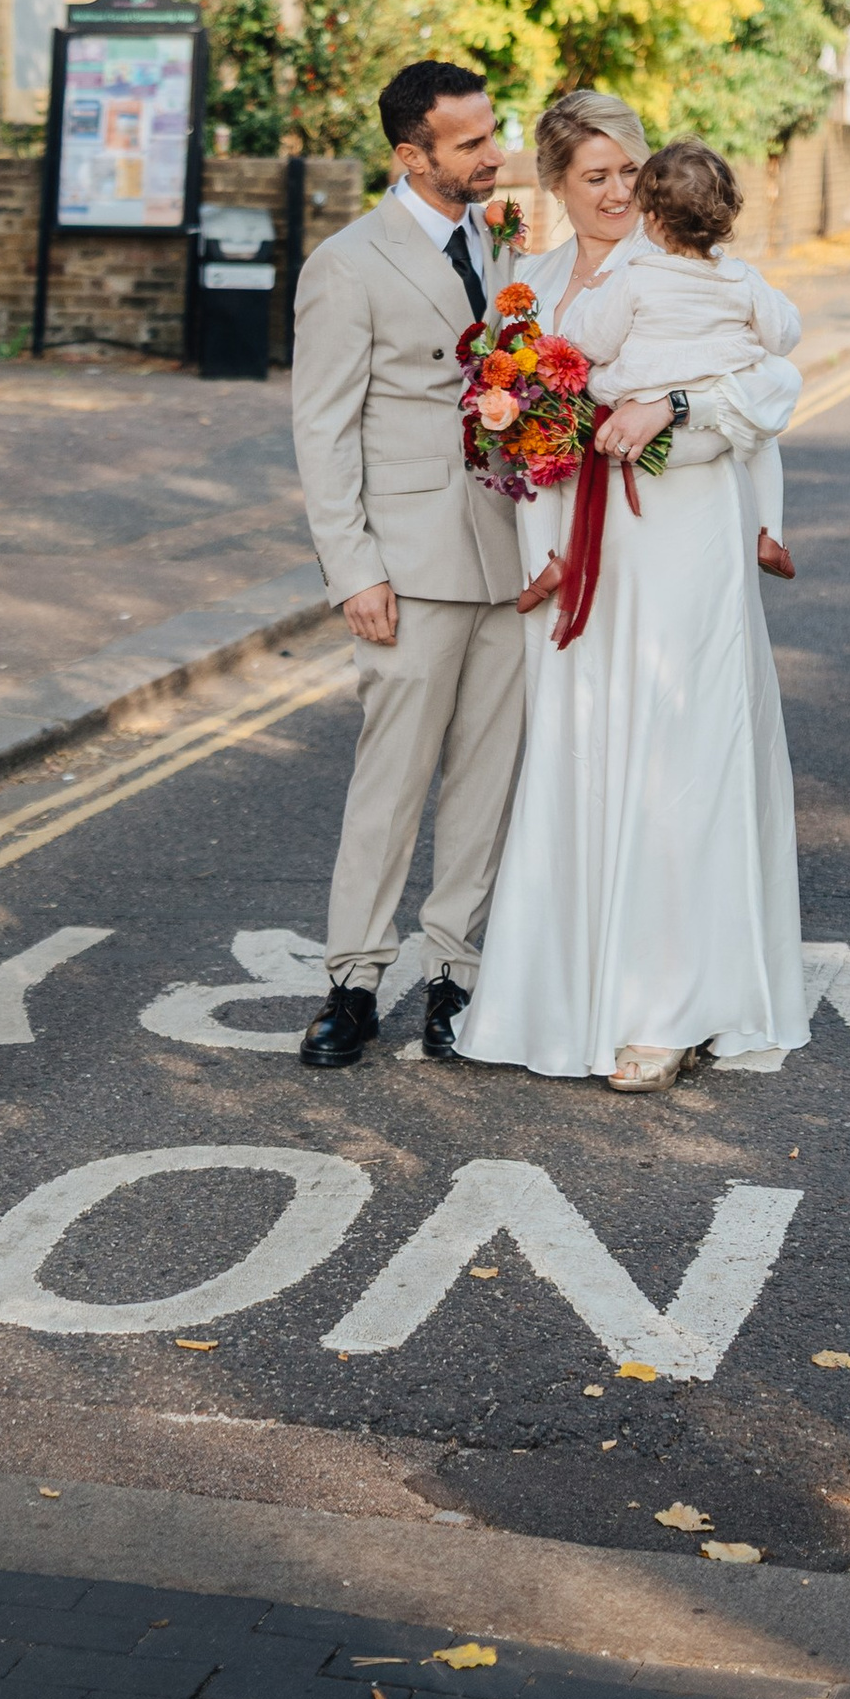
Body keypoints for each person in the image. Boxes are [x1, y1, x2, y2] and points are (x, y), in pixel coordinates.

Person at [455, 97, 810, 1095]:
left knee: (680, 756)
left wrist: (676, 402)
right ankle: (561, 998)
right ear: (557, 188)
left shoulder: (698, 275)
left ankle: (670, 1006)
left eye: (629, 173)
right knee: (582, 751)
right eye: (594, 177)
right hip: (577, 551)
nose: (616, 193)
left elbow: (774, 386)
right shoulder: (528, 289)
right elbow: (514, 429)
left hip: (686, 531)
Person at [288, 57, 528, 1071]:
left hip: (511, 557)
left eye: (489, 133)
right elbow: (323, 430)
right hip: (412, 565)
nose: (491, 156)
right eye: (469, 144)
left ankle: (455, 977)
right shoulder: (349, 264)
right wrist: (354, 572)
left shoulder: (501, 239)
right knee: (389, 785)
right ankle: (352, 981)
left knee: (484, 784)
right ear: (409, 156)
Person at [564, 140, 803, 585]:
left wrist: (590, 294)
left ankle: (553, 555)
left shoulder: (635, 279)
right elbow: (783, 336)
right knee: (764, 436)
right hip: (711, 431)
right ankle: (772, 532)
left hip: (641, 430)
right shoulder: (742, 278)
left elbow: (590, 341)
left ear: (652, 220)